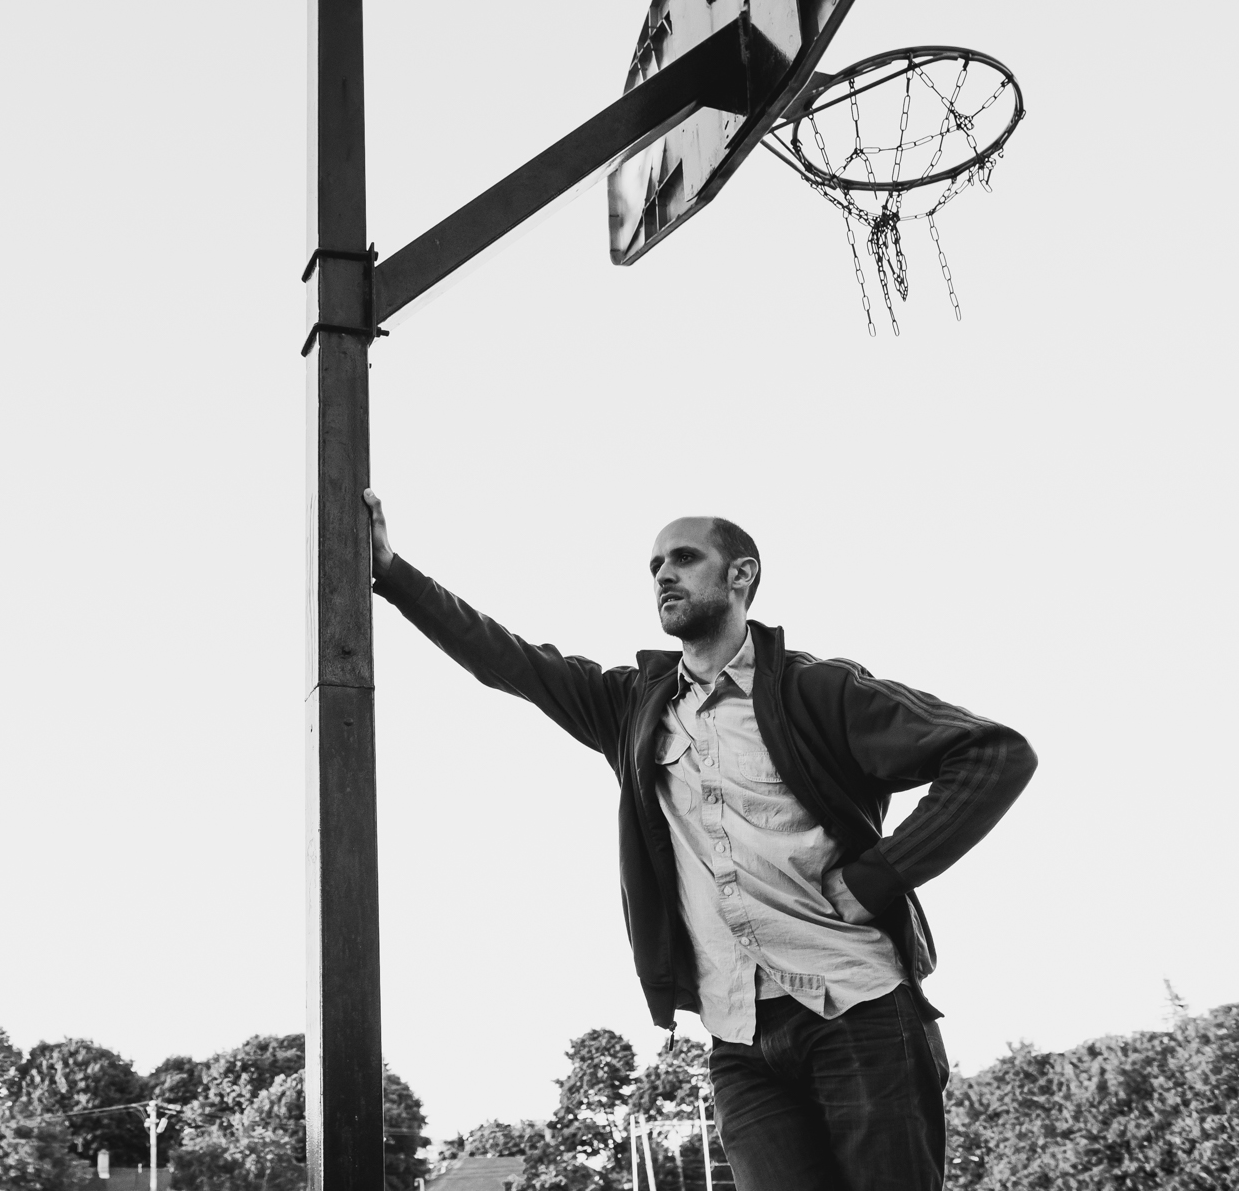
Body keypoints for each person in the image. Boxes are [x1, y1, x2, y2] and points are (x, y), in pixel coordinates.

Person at [362, 491, 1035, 1191]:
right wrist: (392, 573)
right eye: (654, 565)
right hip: (740, 1041)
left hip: (858, 1012)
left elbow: (993, 756)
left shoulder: (820, 692)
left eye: (684, 558)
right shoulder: (632, 709)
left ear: (741, 575)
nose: (662, 575)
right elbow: (513, 661)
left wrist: (878, 877)